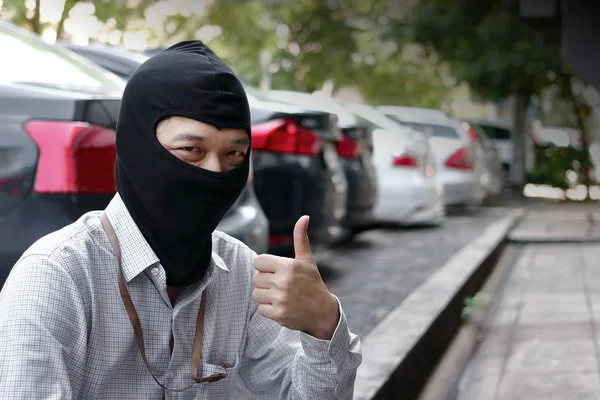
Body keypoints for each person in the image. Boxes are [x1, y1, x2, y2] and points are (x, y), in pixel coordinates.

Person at [0, 41, 361, 399]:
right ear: (137, 146)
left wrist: (322, 322)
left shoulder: (239, 273)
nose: (215, 173)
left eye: (234, 155)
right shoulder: (57, 278)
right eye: (192, 151)